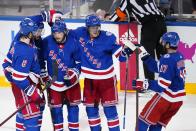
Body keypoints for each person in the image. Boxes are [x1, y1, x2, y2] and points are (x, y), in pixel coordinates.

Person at [73, 14, 134, 131]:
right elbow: (63, 34)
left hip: (107, 81)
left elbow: (121, 57)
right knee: (91, 110)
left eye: (97, 27)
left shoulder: (108, 37)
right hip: (90, 80)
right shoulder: (79, 33)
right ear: (87, 27)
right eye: (92, 28)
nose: (95, 30)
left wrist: (127, 51)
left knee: (110, 109)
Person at [2, 10, 62, 131]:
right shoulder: (24, 50)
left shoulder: (26, 38)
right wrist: (32, 91)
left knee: (38, 107)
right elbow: (19, 78)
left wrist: (46, 16)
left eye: (39, 30)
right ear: (29, 33)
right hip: (23, 82)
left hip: (29, 78)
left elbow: (37, 62)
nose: (38, 33)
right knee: (31, 114)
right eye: (36, 31)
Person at [132, 32, 186, 131]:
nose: (162, 43)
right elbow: (159, 67)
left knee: (142, 121)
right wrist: (144, 54)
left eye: (164, 42)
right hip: (177, 100)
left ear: (168, 44)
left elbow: (161, 86)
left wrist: (144, 83)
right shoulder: (179, 56)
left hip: (166, 99)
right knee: (156, 124)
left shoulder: (167, 59)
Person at [110, 0, 167, 80]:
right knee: (163, 56)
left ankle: (149, 84)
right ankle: (167, 82)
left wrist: (108, 17)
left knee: (147, 55)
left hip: (150, 27)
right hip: (162, 24)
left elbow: (116, 17)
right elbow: (146, 10)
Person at [40, 20, 81, 131]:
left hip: (71, 84)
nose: (56, 35)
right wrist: (44, 76)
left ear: (64, 32)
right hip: (53, 82)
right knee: (56, 111)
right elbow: (40, 61)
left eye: (59, 33)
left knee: (73, 109)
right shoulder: (47, 42)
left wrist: (73, 75)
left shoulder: (73, 42)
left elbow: (79, 62)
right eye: (54, 33)